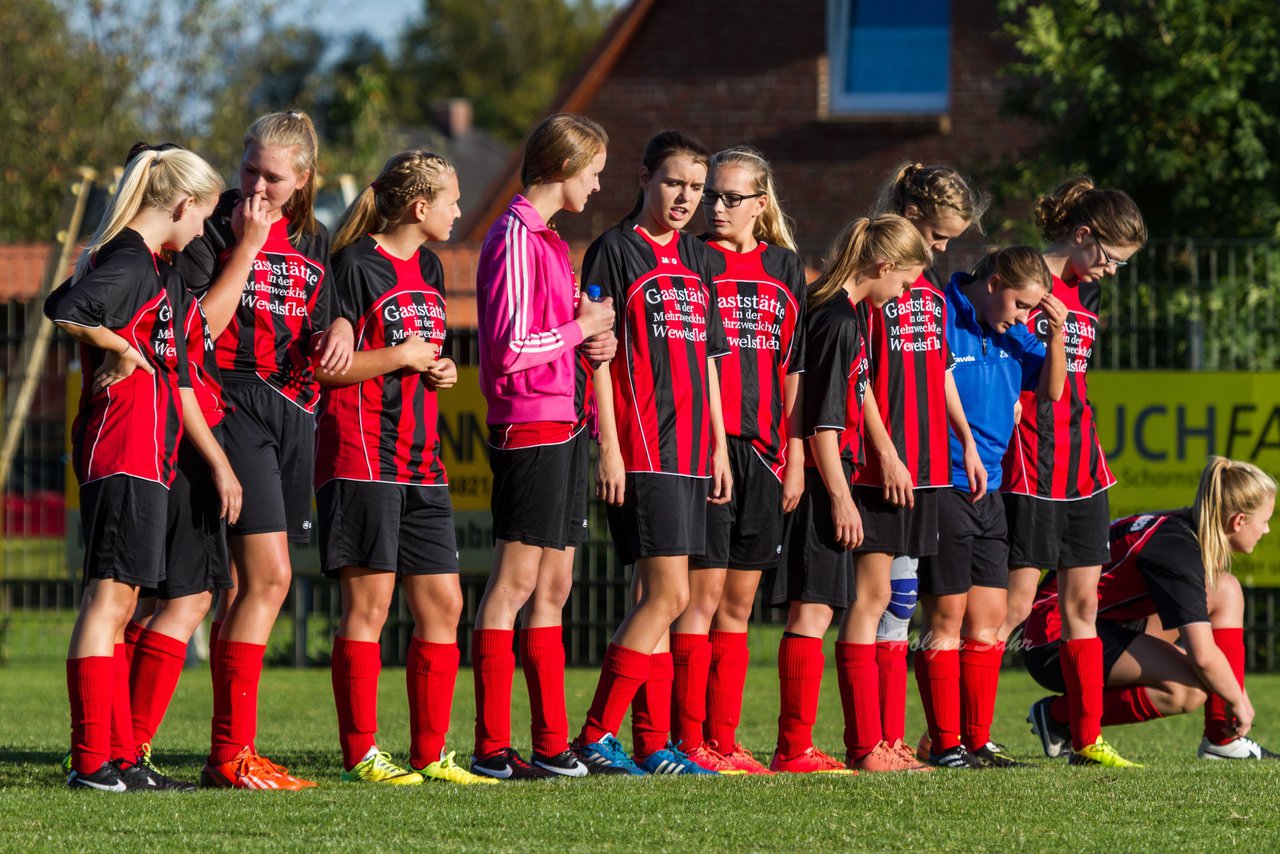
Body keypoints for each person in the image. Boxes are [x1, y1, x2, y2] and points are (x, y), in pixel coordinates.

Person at [175, 110, 354, 789]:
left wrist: (336, 325)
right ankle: (230, 754)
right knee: (268, 578)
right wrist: (246, 248)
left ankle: (231, 752)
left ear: (302, 178)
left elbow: (323, 309)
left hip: (294, 410)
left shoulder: (312, 236)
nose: (256, 184)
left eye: (272, 176)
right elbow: (198, 331)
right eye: (249, 168)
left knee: (252, 586)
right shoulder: (214, 225)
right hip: (232, 404)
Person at [315, 150, 495, 787]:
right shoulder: (354, 264)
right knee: (369, 604)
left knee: (443, 604)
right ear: (420, 207)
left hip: (422, 460)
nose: (457, 209)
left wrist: (438, 367)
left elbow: (421, 352)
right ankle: (362, 755)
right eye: (450, 199)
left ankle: (429, 755)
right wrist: (400, 354)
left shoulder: (431, 265)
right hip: (363, 454)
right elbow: (329, 368)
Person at [48, 146, 223, 791]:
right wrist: (119, 344)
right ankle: (93, 762)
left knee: (124, 603)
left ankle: (118, 756)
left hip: (146, 450)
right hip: (121, 446)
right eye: (202, 215)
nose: (204, 229)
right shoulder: (128, 259)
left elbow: (76, 294)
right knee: (110, 599)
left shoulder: (149, 262)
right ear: (181, 206)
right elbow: (66, 308)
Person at [571, 130, 731, 776]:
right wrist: (608, 445)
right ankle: (594, 733)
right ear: (644, 180)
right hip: (643, 446)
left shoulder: (698, 257)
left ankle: (652, 743)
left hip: (693, 453)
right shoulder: (613, 250)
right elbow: (597, 357)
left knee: (661, 597)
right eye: (673, 183)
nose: (685, 197)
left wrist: (719, 446)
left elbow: (710, 361)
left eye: (696, 187)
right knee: (666, 597)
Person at [471, 113, 615, 780]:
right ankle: (493, 747)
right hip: (529, 424)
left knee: (554, 583)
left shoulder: (551, 242)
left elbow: (552, 336)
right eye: (593, 170)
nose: (597, 183)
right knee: (514, 583)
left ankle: (552, 744)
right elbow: (508, 351)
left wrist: (592, 342)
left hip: (564, 421)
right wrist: (577, 328)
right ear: (563, 166)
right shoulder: (514, 237)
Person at [767, 214, 930, 773]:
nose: (904, 294)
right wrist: (839, 496)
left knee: (839, 603)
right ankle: (796, 748)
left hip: (832, 476)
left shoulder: (845, 313)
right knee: (813, 611)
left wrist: (882, 450)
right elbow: (821, 425)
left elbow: (853, 394)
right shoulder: (836, 318)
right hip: (821, 481)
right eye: (905, 282)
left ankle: (850, 745)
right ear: (883, 266)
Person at [664, 145, 807, 776]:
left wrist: (796, 454)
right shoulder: (690, 258)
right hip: (702, 451)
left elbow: (793, 371)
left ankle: (723, 740)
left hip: (767, 453)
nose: (715, 207)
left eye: (730, 198)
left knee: (739, 606)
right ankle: (686, 740)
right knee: (699, 597)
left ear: (760, 202)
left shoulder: (785, 267)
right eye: (711, 196)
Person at [839, 164, 987, 772]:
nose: (943, 248)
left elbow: (941, 371)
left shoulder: (927, 292)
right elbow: (862, 377)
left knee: (902, 601)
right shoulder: (877, 284)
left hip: (929, 468)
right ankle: (867, 742)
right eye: (939, 234)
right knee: (878, 599)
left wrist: (966, 442)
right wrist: (889, 450)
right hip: (884, 468)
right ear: (912, 216)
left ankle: (893, 740)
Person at [999, 177, 1148, 768]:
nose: (1111, 271)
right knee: (1010, 609)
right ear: (1083, 234)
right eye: (1109, 258)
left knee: (1080, 608)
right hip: (1032, 468)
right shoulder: (1026, 281)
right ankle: (958, 736)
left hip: (1086, 470)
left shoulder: (1083, 296)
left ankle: (1086, 739)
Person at [913, 247, 1065, 768]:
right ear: (995, 282)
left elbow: (1052, 389)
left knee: (990, 619)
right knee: (947, 617)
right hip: (945, 484)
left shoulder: (1015, 333)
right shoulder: (940, 313)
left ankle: (977, 741)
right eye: (1020, 305)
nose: (1023, 318)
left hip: (991, 488)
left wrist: (1057, 334)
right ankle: (944, 742)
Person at [1023, 457, 1278, 763]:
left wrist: (1229, 689)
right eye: (1265, 520)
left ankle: (1222, 741)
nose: (1266, 530)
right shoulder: (1177, 550)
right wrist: (1238, 699)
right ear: (1237, 521)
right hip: (1053, 639)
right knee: (1189, 689)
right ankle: (1059, 717)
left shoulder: (1182, 531)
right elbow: (1204, 657)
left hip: (1100, 623)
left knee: (1225, 590)